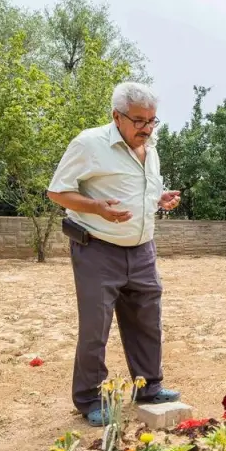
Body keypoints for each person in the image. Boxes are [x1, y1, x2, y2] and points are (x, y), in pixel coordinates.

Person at [46, 82, 184, 426]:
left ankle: (149, 387)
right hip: (97, 248)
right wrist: (96, 207)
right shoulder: (89, 143)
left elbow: (138, 191)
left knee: (147, 320)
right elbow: (57, 192)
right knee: (96, 327)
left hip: (142, 250)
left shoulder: (150, 150)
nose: (147, 129)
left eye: (153, 121)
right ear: (116, 116)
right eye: (139, 121)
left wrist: (159, 199)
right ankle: (89, 398)